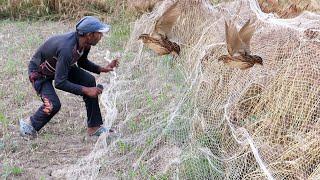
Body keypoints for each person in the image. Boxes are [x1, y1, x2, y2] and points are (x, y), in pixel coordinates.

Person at [19, 16, 119, 137]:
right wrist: (86, 90)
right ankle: (28, 124)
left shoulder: (85, 44)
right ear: (90, 35)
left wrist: (102, 69)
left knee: (89, 80)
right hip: (40, 73)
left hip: (59, 66)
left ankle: (94, 127)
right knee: (53, 105)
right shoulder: (67, 49)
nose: (101, 36)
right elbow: (60, 82)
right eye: (99, 33)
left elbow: (82, 62)